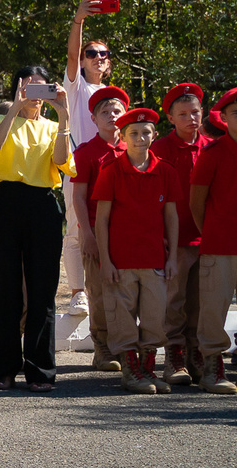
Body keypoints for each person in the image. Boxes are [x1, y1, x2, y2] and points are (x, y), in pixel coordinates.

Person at [0, 68, 73, 391]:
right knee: (5, 289)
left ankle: (40, 370)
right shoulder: (0, 120)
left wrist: (64, 114)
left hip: (42, 205)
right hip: (3, 204)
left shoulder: (53, 125)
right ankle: (3, 369)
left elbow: (61, 161)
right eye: (27, 86)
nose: (34, 92)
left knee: (43, 290)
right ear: (18, 88)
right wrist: (15, 108)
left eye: (40, 87)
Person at [93, 107, 177, 392]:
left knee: (155, 317)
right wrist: (106, 260)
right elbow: (101, 219)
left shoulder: (165, 170)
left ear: (154, 135)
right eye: (134, 133)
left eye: (146, 133)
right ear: (124, 137)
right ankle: (131, 371)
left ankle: (148, 369)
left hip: (154, 259)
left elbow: (171, 217)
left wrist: (173, 257)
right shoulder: (111, 170)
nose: (140, 138)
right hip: (121, 260)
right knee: (122, 317)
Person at [70, 84, 131, 372]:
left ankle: (127, 346)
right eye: (104, 112)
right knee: (99, 290)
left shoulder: (133, 149)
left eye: (117, 110)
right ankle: (103, 347)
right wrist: (88, 235)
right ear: (93, 119)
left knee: (128, 290)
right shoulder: (87, 152)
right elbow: (79, 198)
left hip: (130, 232)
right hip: (96, 229)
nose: (112, 116)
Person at [155, 82, 212, 386]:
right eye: (183, 114)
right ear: (171, 119)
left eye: (195, 112)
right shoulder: (160, 150)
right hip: (175, 240)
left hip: (206, 238)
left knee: (201, 302)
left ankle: (196, 354)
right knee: (174, 300)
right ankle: (174, 357)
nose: (191, 119)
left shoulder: (211, 147)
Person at [62, 0, 115, 312]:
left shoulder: (114, 96)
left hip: (111, 169)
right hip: (78, 168)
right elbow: (70, 52)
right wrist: (78, 19)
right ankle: (77, 293)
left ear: (109, 63)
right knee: (75, 230)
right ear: (82, 61)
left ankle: (107, 287)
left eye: (103, 54)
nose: (97, 58)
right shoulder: (76, 88)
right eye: (91, 53)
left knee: (111, 229)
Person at [183, 87, 237, 393]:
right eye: (236, 113)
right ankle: (213, 367)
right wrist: (212, 231)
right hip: (219, 244)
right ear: (225, 118)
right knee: (213, 309)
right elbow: (196, 203)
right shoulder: (213, 154)